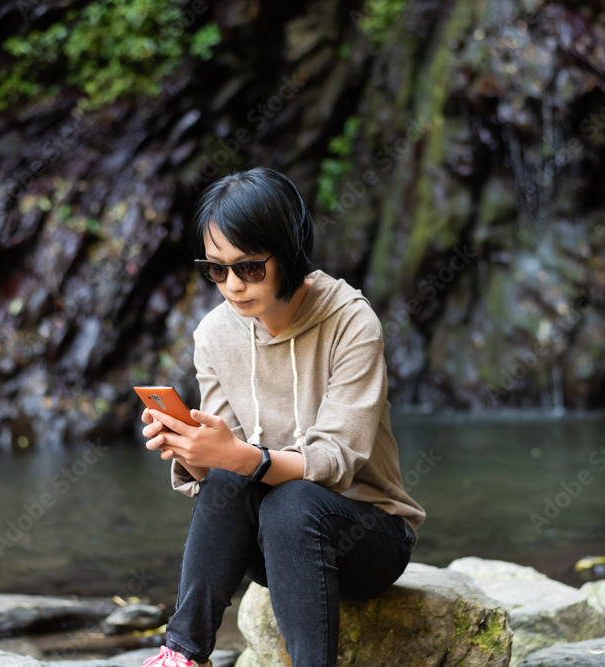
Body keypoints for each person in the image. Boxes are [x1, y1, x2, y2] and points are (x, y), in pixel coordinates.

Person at [140, 167, 426, 667]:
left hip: (367, 540)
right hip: (274, 551)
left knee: (290, 501)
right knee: (233, 483)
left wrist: (239, 456)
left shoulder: (352, 321)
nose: (231, 285)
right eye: (216, 269)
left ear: (289, 250)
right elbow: (225, 473)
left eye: (249, 267)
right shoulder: (213, 335)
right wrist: (195, 450)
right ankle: (184, 653)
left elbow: (336, 462)